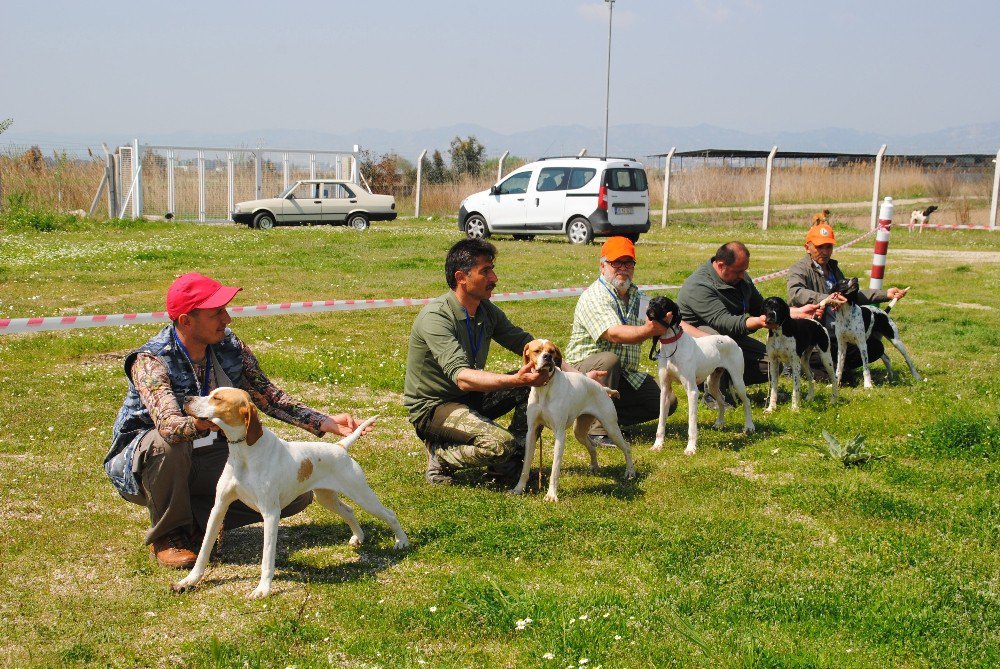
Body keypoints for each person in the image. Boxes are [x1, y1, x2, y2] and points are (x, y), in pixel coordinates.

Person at [104, 272, 370, 569]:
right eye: (216, 312)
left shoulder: (228, 345)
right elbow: (169, 427)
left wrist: (323, 421)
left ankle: (196, 523)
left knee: (295, 494)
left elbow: (268, 396)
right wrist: (213, 420)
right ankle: (169, 536)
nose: (227, 318)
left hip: (206, 450)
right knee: (167, 445)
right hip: (146, 461)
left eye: (225, 310)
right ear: (186, 321)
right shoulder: (151, 361)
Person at [404, 238, 582, 486]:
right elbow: (463, 378)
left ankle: (508, 468)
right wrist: (516, 379)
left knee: (531, 389)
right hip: (435, 409)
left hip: (472, 398)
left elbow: (526, 343)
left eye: (492, 269)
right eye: (485, 271)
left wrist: (580, 376)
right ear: (461, 277)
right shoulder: (436, 317)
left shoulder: (485, 309)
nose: (494, 278)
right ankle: (441, 456)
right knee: (500, 444)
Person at [564, 236, 696, 445]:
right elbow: (614, 333)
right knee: (609, 360)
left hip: (624, 375)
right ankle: (596, 430)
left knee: (666, 402)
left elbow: (669, 322)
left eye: (628, 263)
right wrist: (648, 330)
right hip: (581, 373)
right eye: (616, 263)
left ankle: (604, 417)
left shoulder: (637, 295)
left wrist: (709, 340)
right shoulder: (595, 296)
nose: (623, 268)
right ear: (602, 266)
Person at [677, 241, 821, 393]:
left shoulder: (740, 278)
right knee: (717, 340)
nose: (743, 275)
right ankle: (713, 392)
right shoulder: (699, 286)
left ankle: (730, 383)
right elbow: (724, 322)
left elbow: (759, 307)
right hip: (697, 344)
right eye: (738, 271)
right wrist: (758, 322)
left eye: (744, 270)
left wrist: (795, 312)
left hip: (731, 336)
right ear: (720, 265)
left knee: (772, 364)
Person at [787, 222, 909, 377]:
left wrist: (886, 295)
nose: (825, 252)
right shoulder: (798, 269)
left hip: (838, 334)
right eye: (820, 247)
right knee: (844, 376)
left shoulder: (833, 268)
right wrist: (826, 298)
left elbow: (851, 296)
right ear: (807, 248)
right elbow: (795, 293)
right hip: (817, 336)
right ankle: (798, 366)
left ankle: (835, 365)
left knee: (875, 347)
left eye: (829, 247)